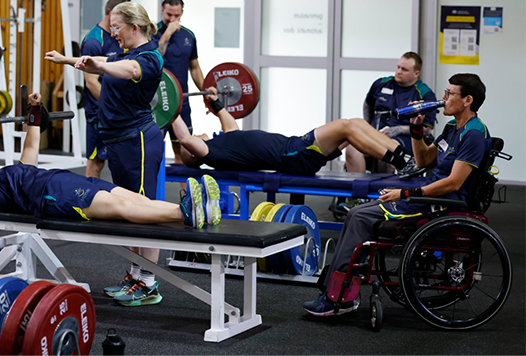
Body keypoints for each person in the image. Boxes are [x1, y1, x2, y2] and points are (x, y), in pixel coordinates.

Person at [0, 93, 221, 307]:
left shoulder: (5, 178)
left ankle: (194, 208)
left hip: (61, 181)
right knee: (123, 208)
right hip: (55, 197)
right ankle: (183, 214)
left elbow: (30, 149)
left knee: (135, 198)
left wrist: (34, 112)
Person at [303, 73, 491, 316]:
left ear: (467, 100)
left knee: (360, 217)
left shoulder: (474, 134)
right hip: (427, 197)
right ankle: (337, 290)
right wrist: (415, 129)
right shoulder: (454, 127)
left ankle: (339, 295)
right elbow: (423, 159)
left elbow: (453, 183)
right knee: (355, 215)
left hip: (440, 203)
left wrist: (405, 193)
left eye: (449, 94)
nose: (444, 99)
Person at [45, 1, 171, 306]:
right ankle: (135, 274)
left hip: (138, 142)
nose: (112, 33)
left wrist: (99, 66)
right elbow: (101, 58)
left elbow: (125, 70)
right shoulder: (123, 52)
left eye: (116, 27)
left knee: (145, 213)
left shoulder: (148, 57)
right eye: (111, 27)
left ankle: (149, 282)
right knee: (128, 211)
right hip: (118, 142)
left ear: (134, 28)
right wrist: (66, 60)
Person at [172, 89, 414, 175]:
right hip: (294, 155)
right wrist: (171, 108)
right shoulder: (211, 153)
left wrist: (215, 103)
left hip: (295, 148)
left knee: (355, 123)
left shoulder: (223, 141)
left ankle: (405, 158)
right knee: (345, 126)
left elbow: (230, 123)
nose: (197, 136)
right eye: (192, 143)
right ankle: (401, 162)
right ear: (194, 152)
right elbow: (184, 137)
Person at [346, 52, 437, 173]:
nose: (399, 71)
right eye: (398, 67)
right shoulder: (381, 84)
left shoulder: (425, 94)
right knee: (353, 148)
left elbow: (426, 129)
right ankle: (357, 187)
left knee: (387, 151)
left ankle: (385, 189)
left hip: (404, 140)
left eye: (404, 69)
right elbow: (367, 104)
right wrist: (367, 127)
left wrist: (395, 130)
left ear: (416, 73)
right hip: (376, 134)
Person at [80, 0, 130, 178]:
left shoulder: (119, 37)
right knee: (96, 162)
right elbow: (91, 82)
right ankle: (89, 203)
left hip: (120, 113)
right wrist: (115, 106)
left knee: (124, 160)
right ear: (111, 14)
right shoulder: (94, 42)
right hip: (99, 114)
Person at [153, 0, 205, 164]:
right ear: (162, 11)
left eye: (176, 15)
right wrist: (167, 32)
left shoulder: (188, 36)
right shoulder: (152, 32)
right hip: (157, 101)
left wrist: (207, 94)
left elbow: (195, 68)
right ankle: (153, 190)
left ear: (182, 12)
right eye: (169, 14)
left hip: (181, 101)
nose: (173, 19)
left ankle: (185, 191)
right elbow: (154, 59)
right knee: (153, 152)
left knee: (184, 151)